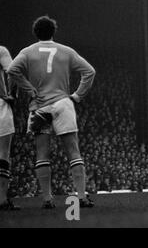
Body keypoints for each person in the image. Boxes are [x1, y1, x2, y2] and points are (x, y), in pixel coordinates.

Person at [7, 15, 96, 208]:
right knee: (73, 151)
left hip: (39, 107)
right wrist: (77, 96)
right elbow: (90, 72)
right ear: (53, 32)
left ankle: (47, 200)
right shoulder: (66, 51)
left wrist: (29, 89)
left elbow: (12, 70)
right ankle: (81, 197)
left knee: (42, 154)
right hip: (63, 104)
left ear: (35, 33)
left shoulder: (27, 52)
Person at [0, 45, 20, 210]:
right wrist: (13, 95)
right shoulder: (1, 50)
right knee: (3, 153)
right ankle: (1, 199)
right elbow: (13, 72)